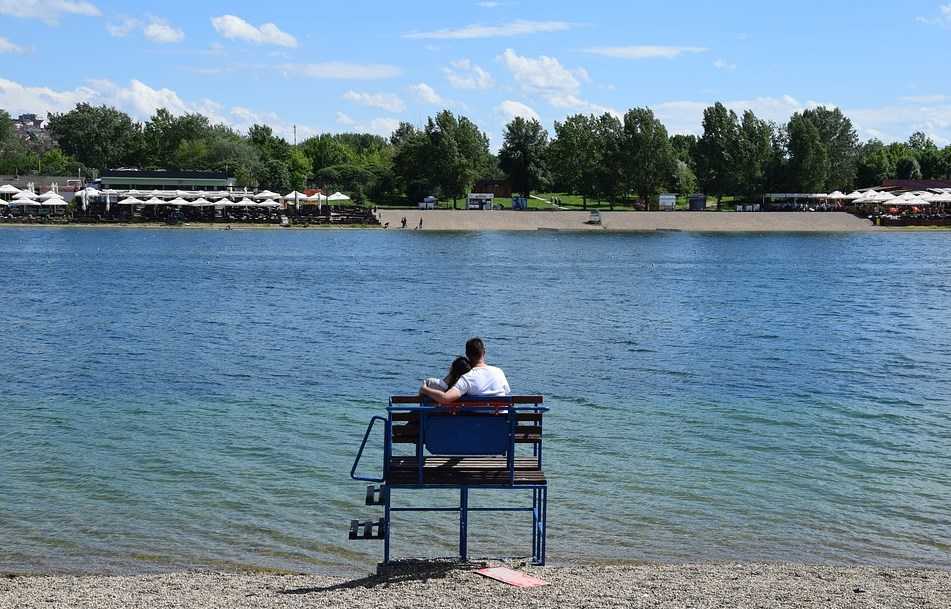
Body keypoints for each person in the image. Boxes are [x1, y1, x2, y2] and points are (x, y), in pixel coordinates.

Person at [419, 338, 509, 404]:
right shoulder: (499, 372)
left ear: (467, 355)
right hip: (502, 422)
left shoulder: (468, 377)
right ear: (484, 352)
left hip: (478, 423)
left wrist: (425, 389)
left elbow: (445, 398)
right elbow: (506, 392)